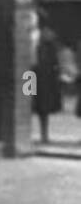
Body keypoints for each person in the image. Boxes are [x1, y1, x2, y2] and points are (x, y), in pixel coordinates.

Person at [31, 8, 62, 143]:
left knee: (43, 105)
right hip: (28, 74)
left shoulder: (47, 36)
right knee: (27, 100)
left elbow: (54, 58)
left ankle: (44, 134)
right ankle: (28, 133)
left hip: (42, 75)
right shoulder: (26, 34)